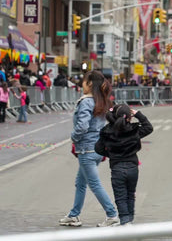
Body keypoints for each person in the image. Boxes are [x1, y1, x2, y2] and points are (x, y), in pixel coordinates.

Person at [59, 70, 119, 227]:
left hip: (87, 149)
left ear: (90, 83)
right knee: (80, 183)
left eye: (84, 81)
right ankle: (74, 215)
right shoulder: (100, 101)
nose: (82, 84)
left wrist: (74, 137)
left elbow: (83, 125)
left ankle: (112, 215)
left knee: (94, 184)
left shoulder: (86, 102)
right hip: (96, 149)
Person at [95, 104, 153, 226]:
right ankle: (130, 219)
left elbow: (98, 148)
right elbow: (148, 127)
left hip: (117, 167)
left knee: (120, 196)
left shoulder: (107, 131)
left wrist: (111, 154)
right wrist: (138, 114)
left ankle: (125, 220)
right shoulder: (133, 129)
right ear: (129, 117)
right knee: (130, 194)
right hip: (132, 166)